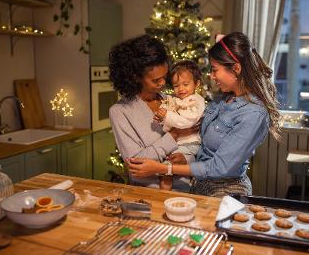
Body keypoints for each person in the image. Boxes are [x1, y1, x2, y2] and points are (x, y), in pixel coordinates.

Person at [127, 32, 281, 197]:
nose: (211, 76)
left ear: (236, 68)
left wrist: (164, 168)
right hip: (199, 186)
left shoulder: (253, 113)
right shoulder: (221, 99)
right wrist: (186, 159)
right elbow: (204, 147)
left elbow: (219, 167)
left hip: (226, 191)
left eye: (215, 70)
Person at [108, 35, 196, 190]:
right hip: (149, 195)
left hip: (187, 191)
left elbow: (194, 143)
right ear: (136, 77)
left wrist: (185, 158)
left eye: (164, 77)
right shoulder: (120, 112)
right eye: (156, 80)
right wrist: (173, 135)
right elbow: (136, 166)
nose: (163, 83)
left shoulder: (173, 100)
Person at [154, 60, 205, 190]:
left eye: (185, 84)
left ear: (196, 84)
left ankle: (165, 193)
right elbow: (168, 121)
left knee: (167, 166)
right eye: (176, 86)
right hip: (177, 142)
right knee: (163, 161)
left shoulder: (196, 101)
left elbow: (187, 121)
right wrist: (160, 117)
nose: (181, 89)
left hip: (189, 143)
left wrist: (167, 116)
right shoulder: (175, 99)